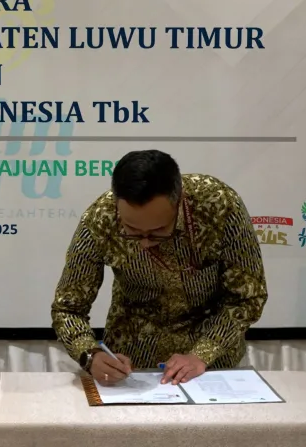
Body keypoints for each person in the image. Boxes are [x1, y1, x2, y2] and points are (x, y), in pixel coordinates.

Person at [51, 150, 267, 386]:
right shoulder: (100, 219)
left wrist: (202, 354)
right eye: (133, 231)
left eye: (158, 232)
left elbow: (247, 297)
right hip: (131, 364)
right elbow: (67, 309)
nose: (145, 242)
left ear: (179, 201)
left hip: (211, 364)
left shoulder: (219, 205)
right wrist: (91, 355)